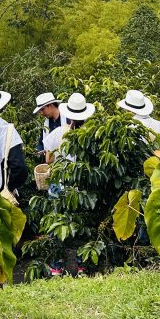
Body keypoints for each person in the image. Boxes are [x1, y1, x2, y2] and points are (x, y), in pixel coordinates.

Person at [43, 90, 96, 277]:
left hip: (59, 185)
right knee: (82, 226)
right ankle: (82, 266)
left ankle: (57, 266)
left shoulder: (59, 132)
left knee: (58, 224)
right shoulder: (92, 136)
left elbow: (48, 159)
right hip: (82, 188)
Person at [32, 91, 66, 163]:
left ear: (50, 105)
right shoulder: (46, 124)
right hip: (53, 163)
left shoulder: (66, 118)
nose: (41, 113)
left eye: (42, 109)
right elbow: (41, 142)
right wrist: (39, 150)